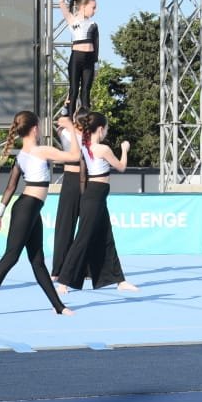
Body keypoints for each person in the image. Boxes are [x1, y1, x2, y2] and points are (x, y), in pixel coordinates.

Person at [0, 110, 79, 318]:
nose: (40, 129)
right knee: (11, 257)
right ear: (34, 129)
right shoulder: (40, 151)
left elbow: (10, 188)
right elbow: (75, 156)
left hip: (31, 209)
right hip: (26, 208)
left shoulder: (22, 155)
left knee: (37, 261)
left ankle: (58, 306)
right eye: (39, 126)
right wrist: (70, 128)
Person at [56, 112, 139, 293]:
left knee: (107, 238)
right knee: (82, 238)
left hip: (97, 195)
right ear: (100, 129)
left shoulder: (85, 146)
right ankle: (64, 281)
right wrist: (124, 149)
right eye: (106, 128)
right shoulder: (102, 148)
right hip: (95, 194)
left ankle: (119, 279)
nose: (107, 132)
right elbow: (121, 167)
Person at [50, 113, 85, 282]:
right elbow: (75, 152)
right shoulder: (66, 133)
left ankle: (86, 268)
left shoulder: (91, 138)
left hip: (87, 182)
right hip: (71, 182)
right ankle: (58, 269)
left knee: (87, 226)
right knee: (65, 226)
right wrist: (67, 110)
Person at [59, 0, 99, 115]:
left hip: (89, 59)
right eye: (93, 7)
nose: (95, 10)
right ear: (83, 7)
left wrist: (96, 63)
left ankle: (86, 119)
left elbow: (96, 45)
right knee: (74, 89)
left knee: (86, 90)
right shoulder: (72, 19)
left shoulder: (93, 24)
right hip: (76, 57)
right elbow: (61, 1)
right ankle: (69, 117)